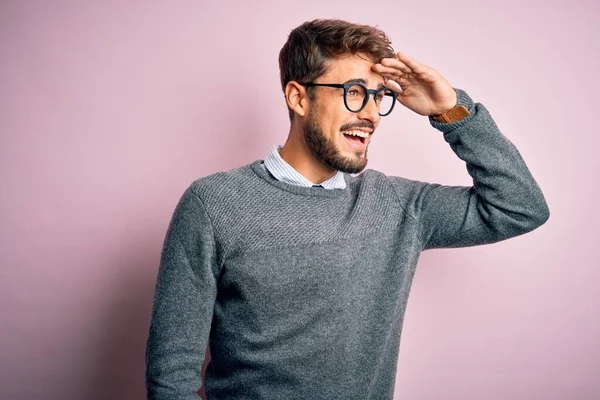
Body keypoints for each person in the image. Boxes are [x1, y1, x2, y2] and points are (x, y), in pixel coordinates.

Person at [145, 18, 549, 400]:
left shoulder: (399, 207)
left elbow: (520, 206)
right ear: (298, 97)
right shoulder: (213, 204)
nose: (371, 113)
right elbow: (171, 375)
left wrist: (451, 112)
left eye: (379, 96)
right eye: (354, 92)